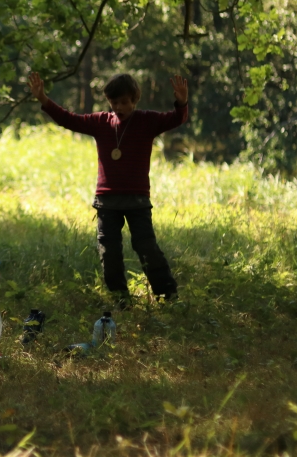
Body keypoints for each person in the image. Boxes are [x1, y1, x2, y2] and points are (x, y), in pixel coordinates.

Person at [29, 71, 188, 307]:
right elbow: (68, 119)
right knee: (109, 251)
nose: (119, 107)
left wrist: (182, 102)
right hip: (107, 202)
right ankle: (120, 298)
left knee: (146, 247)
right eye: (114, 102)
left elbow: (176, 119)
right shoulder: (101, 122)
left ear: (135, 99)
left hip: (137, 201)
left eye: (124, 102)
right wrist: (43, 99)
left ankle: (167, 295)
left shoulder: (147, 120)